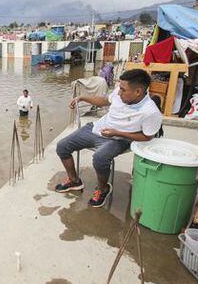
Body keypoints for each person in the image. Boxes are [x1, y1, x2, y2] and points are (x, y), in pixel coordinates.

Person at [55, 69, 162, 207]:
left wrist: (117, 133)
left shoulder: (150, 112)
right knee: (62, 146)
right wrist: (82, 98)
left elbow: (147, 137)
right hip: (97, 128)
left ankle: (102, 188)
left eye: (123, 90)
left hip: (118, 139)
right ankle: (74, 180)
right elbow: (105, 101)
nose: (118, 92)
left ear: (138, 92)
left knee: (100, 158)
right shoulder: (120, 93)